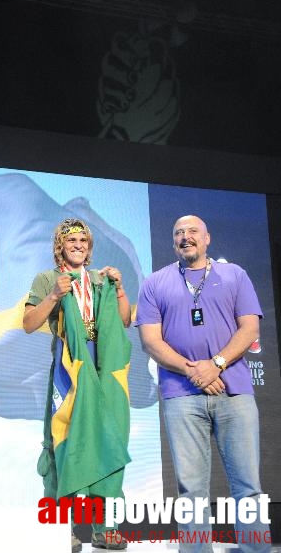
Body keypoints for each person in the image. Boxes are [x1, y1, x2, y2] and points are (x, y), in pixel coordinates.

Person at [136, 215, 271, 553]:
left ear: (207, 238)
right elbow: (151, 341)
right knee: (191, 488)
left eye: (192, 231)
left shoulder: (234, 275)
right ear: (173, 243)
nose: (186, 237)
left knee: (247, 486)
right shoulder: (155, 282)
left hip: (234, 391)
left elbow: (250, 329)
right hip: (182, 396)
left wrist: (216, 365)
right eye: (179, 233)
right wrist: (194, 371)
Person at [23, 218, 132, 553]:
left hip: (105, 368)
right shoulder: (46, 279)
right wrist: (55, 295)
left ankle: (106, 527)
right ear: (60, 245)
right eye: (72, 240)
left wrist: (121, 289)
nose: (79, 245)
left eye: (84, 241)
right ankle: (63, 528)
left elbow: (125, 320)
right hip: (69, 369)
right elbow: (29, 323)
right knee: (62, 443)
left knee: (108, 443)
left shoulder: (101, 279)